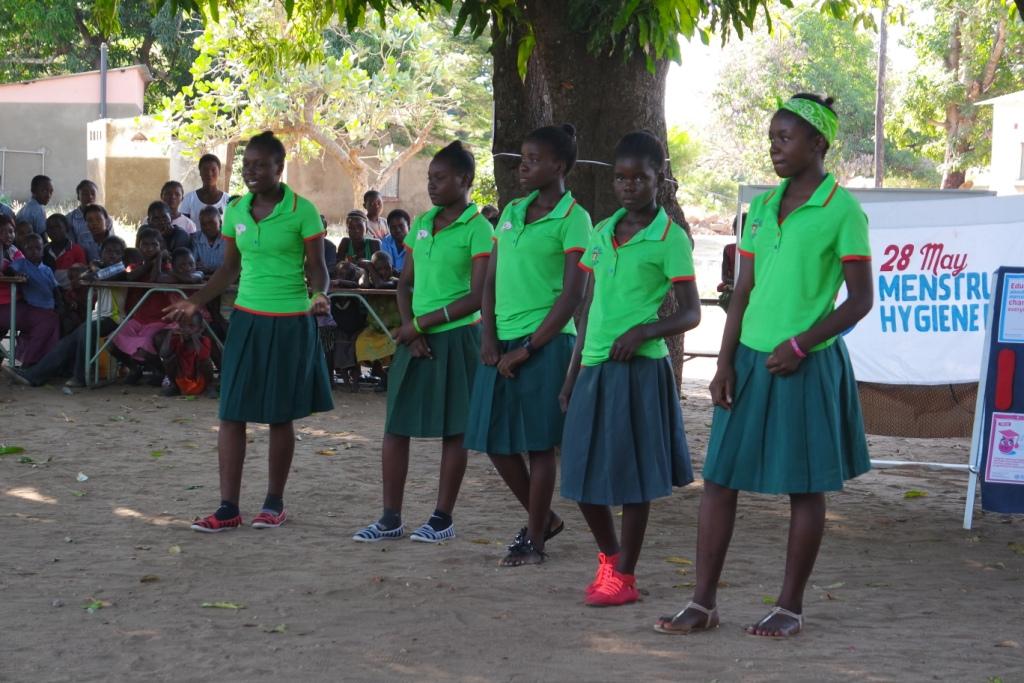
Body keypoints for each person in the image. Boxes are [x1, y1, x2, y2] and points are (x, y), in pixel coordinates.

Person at [654, 94, 874, 638]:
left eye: (785, 138)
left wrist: (800, 345)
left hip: (806, 365)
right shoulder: (759, 210)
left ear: (818, 144)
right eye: (772, 137)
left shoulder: (842, 210)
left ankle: (790, 607)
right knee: (720, 481)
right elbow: (743, 293)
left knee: (804, 487)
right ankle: (703, 603)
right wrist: (724, 363)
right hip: (749, 362)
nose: (773, 147)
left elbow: (860, 300)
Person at [164, 131, 333, 532]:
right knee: (231, 412)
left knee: (279, 415)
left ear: (280, 167)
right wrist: (195, 301)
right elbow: (227, 269)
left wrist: (320, 294)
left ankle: (273, 503)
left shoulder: (302, 211)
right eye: (247, 165)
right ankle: (228, 508)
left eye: (260, 165)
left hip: (291, 322)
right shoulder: (237, 210)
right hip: (247, 320)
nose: (251, 171)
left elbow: (318, 265)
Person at [560, 130, 701, 607]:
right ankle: (611, 557)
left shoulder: (671, 238)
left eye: (639, 178)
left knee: (634, 479)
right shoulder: (602, 232)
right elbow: (590, 309)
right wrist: (572, 375)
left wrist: (642, 332)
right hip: (594, 368)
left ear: (659, 179)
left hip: (640, 373)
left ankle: (624, 576)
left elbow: (691, 313)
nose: (628, 186)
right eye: (621, 178)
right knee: (580, 475)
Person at [463, 124, 591, 566]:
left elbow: (572, 294)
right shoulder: (513, 211)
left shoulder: (576, 218)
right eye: (522, 158)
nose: (523, 167)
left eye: (533, 160)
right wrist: (489, 334)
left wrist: (530, 348)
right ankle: (546, 519)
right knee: (494, 440)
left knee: (538, 445)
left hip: (547, 344)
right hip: (500, 340)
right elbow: (491, 280)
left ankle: (534, 540)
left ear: (559, 165)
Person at [352, 141, 492, 544]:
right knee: (396, 426)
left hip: (458, 337)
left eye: (440, 178)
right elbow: (406, 283)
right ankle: (390, 517)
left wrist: (423, 324)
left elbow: (477, 296)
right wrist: (412, 328)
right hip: (417, 339)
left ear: (464, 181)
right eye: (430, 178)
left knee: (455, 430)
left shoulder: (480, 228)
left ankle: (441, 517)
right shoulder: (424, 222)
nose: (432, 185)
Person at [3, 236, 130, 388]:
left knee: (85, 331)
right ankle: (34, 375)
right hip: (99, 316)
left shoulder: (120, 268)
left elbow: (93, 277)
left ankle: (79, 376)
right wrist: (94, 267)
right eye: (108, 251)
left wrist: (95, 267)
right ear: (101, 253)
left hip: (114, 318)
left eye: (117, 252)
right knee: (66, 342)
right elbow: (84, 277)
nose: (113, 255)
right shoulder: (102, 267)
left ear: (122, 256)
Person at [2, 233, 61, 365]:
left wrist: (60, 304)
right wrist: (17, 274)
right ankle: (30, 360)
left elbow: (56, 288)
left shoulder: (47, 270)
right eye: (30, 248)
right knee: (46, 325)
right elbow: (9, 271)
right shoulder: (22, 264)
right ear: (24, 250)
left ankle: (46, 362)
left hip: (49, 307)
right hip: (34, 307)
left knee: (54, 328)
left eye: (37, 248)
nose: (34, 251)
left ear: (42, 250)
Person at [159, 312, 217, 399]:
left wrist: (194, 337)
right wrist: (170, 333)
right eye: (183, 326)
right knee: (168, 359)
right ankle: (174, 386)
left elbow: (203, 356)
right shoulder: (177, 340)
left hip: (199, 379)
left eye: (191, 326)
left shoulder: (204, 340)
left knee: (205, 361)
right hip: (181, 379)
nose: (186, 329)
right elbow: (163, 354)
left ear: (201, 329)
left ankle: (210, 386)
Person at [68, 182, 114, 255]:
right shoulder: (70, 218)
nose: (90, 197)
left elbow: (112, 241)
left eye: (93, 193)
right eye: (85, 194)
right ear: (78, 196)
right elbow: (71, 245)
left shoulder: (106, 218)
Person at [181, 154, 230, 222]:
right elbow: (184, 226)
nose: (209, 173)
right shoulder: (189, 199)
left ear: (219, 172)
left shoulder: (228, 200)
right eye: (205, 169)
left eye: (213, 170)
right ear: (200, 172)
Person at [43, 214, 87, 285]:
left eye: (58, 227)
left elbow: (83, 275)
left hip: (71, 293)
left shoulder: (77, 250)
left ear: (66, 228)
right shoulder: (43, 250)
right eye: (50, 228)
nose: (54, 231)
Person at [191, 206, 226, 277]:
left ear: (220, 222)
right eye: (203, 224)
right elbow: (192, 265)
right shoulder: (196, 239)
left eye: (211, 223)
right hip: (200, 281)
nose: (207, 227)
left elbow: (232, 267)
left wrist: (210, 269)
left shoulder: (229, 239)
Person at [16, 175, 52, 240]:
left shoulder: (27, 207)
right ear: (33, 191)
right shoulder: (37, 209)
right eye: (44, 191)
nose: (48, 195)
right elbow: (42, 236)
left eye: (51, 191)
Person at [381, 209, 409, 274]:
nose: (397, 230)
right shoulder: (386, 242)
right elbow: (385, 267)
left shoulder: (416, 243)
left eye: (401, 226)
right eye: (393, 227)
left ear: (408, 226)